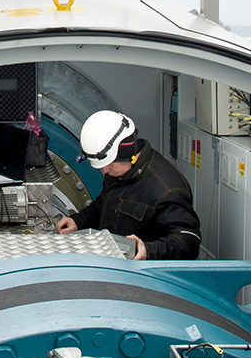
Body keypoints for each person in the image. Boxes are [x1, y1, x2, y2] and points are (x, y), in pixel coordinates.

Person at [56, 110, 201, 260]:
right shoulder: (119, 171)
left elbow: (189, 240)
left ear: (127, 153)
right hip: (114, 263)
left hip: (144, 275)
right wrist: (78, 221)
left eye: (109, 165)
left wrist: (148, 250)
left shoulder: (166, 189)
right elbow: (104, 204)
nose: (105, 171)